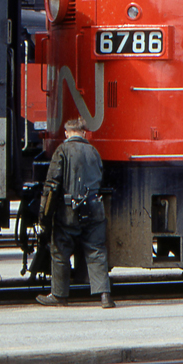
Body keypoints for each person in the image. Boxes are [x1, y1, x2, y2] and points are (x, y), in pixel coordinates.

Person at [37, 117, 114, 308]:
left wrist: (44, 216)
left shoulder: (62, 150)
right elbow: (100, 179)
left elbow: (52, 185)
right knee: (96, 251)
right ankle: (105, 296)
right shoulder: (94, 152)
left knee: (60, 250)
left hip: (69, 210)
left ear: (66, 133)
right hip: (94, 208)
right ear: (84, 133)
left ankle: (59, 296)